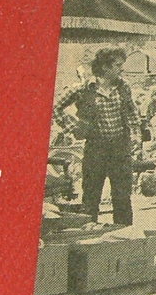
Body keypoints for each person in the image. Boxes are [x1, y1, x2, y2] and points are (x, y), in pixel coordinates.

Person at [54, 47, 142, 226]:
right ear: (104, 67)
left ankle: (125, 237)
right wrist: (74, 126)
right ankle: (89, 236)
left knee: (122, 198)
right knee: (91, 197)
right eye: (118, 65)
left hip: (120, 149)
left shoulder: (123, 87)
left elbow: (133, 113)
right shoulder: (83, 88)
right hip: (96, 149)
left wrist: (135, 136)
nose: (121, 68)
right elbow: (55, 108)